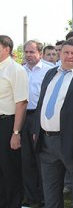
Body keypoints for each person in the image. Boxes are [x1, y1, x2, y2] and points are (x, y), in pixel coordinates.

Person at [33, 39, 73, 208]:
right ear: (60, 54)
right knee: (50, 191)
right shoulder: (51, 74)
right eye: (66, 52)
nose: (69, 56)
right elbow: (41, 103)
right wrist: (36, 129)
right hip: (46, 142)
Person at [22, 40, 52, 207]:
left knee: (41, 158)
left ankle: (45, 197)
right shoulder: (20, 70)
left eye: (32, 52)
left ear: (40, 53)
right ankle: (31, 197)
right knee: (26, 159)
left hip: (40, 117)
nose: (28, 55)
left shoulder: (49, 70)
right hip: (23, 116)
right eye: (26, 52)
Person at [0, 35, 28, 208]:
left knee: (9, 169)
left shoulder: (15, 70)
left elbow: (22, 103)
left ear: (6, 49)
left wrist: (16, 133)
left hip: (7, 124)